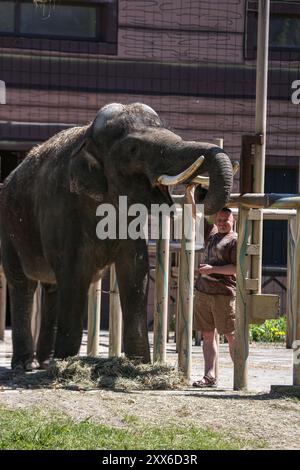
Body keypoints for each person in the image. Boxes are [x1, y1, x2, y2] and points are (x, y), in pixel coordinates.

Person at [193, 207, 237, 388]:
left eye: (225, 219)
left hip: (223, 294)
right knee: (208, 334)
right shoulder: (212, 235)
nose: (221, 223)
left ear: (233, 220)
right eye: (219, 219)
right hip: (204, 291)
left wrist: (213, 270)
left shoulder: (234, 240)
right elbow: (195, 216)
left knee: (231, 334)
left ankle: (240, 373)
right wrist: (192, 198)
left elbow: (236, 268)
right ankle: (209, 375)